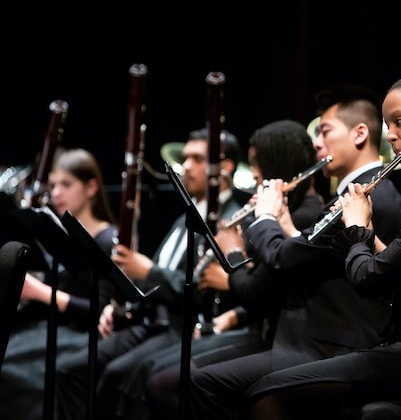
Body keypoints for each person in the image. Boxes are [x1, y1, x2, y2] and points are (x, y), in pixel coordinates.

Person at [237, 73, 401, 419]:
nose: (391, 136)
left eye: (399, 122)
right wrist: (354, 229)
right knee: (272, 389)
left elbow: (370, 278)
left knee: (269, 394)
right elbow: (397, 265)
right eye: (387, 125)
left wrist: (355, 226)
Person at [186, 84, 401, 419]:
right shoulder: (358, 190)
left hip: (327, 346)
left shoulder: (366, 194)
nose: (317, 142)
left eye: (324, 131)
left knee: (201, 383)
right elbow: (314, 250)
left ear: (360, 133)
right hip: (312, 339)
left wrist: (264, 216)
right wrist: (285, 223)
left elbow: (280, 258)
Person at [119, 119, 324, 420]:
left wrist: (233, 250)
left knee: (164, 381)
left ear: (277, 164)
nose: (254, 174)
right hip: (251, 326)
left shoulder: (304, 215)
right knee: (144, 374)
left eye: (258, 164)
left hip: (278, 339)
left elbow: (254, 289)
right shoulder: (285, 212)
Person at [55, 128, 246, 420]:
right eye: (185, 158)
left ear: (226, 166)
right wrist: (119, 306)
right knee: (70, 368)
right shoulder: (186, 214)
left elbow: (201, 288)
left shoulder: (233, 217)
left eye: (197, 158)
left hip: (182, 324)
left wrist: (149, 271)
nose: (187, 166)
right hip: (152, 319)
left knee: (119, 376)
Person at [0, 148, 116, 420]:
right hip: (54, 327)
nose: (56, 193)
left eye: (66, 184)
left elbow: (98, 310)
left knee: (15, 370)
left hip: (83, 334)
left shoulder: (108, 238)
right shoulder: (60, 234)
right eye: (52, 185)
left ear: (91, 188)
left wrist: (39, 292)